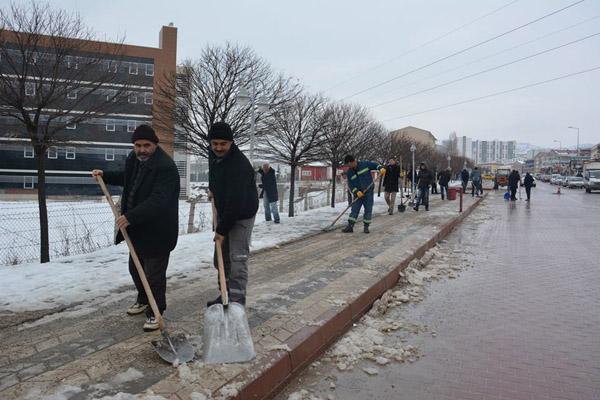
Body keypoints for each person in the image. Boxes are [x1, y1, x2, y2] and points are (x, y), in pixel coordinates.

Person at [92, 125, 180, 332]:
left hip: (159, 231)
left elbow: (160, 200)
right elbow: (127, 178)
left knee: (154, 275)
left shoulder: (165, 167)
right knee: (135, 269)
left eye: (146, 146)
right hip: (138, 230)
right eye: (138, 145)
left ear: (155, 145)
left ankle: (156, 311)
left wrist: (131, 216)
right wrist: (105, 175)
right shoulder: (134, 159)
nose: (141, 149)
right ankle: (143, 300)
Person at [208, 122, 258, 307]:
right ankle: (225, 293)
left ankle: (237, 302)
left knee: (237, 259)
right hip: (225, 211)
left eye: (223, 144)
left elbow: (235, 204)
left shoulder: (240, 166)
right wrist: (213, 190)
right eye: (215, 143)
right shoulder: (214, 156)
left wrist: (221, 230)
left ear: (231, 142)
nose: (219, 147)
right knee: (220, 258)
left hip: (242, 214)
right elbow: (215, 179)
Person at [342, 155, 386, 234]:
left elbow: (375, 165)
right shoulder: (350, 172)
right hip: (358, 194)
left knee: (368, 209)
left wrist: (380, 168)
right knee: (355, 209)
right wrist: (356, 191)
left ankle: (366, 227)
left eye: (348, 164)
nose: (348, 166)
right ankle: (350, 226)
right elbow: (351, 185)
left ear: (352, 162)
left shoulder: (364, 164)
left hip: (368, 192)